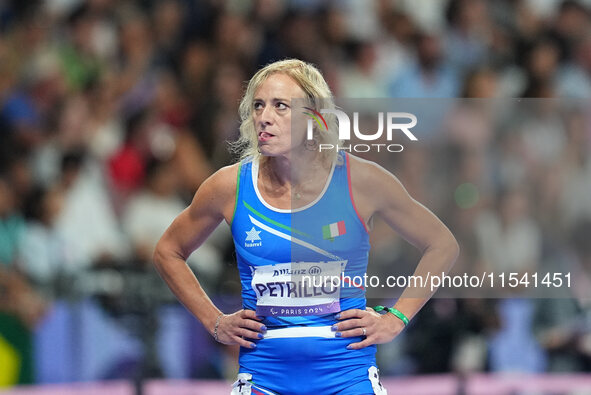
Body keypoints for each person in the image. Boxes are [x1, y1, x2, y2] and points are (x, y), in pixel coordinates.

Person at [153, 59, 459, 394]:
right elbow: (168, 251)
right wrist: (214, 322)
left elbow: (442, 244)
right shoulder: (230, 186)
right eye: (258, 105)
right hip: (264, 378)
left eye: (280, 106)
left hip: (347, 377)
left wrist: (396, 318)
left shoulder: (362, 181)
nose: (264, 116)